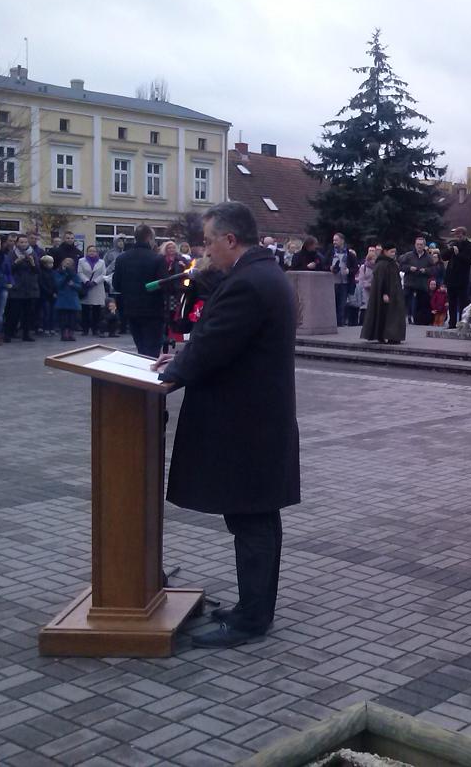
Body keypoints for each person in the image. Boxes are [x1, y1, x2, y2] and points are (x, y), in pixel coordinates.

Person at [153, 202, 300, 650]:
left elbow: (215, 344)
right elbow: (216, 339)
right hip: (256, 424)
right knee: (253, 520)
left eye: (209, 241)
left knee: (253, 522)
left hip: (246, 427)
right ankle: (251, 608)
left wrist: (172, 374)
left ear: (230, 240)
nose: (205, 249)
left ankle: (252, 619)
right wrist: (178, 359)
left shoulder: (250, 283)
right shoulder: (259, 274)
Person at [112, 224, 168, 357]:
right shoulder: (157, 258)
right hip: (153, 311)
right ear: (149, 238)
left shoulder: (122, 258)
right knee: (152, 350)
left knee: (141, 348)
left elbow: (116, 284)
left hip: (131, 309)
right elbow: (164, 284)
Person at [361, 242, 406, 344]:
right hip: (388, 293)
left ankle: (393, 336)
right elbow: (381, 280)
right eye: (391, 252)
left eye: (394, 252)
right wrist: (384, 293)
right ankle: (387, 335)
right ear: (385, 251)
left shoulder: (391, 263)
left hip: (394, 293)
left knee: (392, 315)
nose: (393, 254)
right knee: (387, 314)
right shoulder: (382, 264)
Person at [5, 235, 40, 342]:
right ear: (17, 243)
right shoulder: (12, 254)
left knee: (28, 314)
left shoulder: (32, 253)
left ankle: (26, 334)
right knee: (13, 313)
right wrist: (16, 262)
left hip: (30, 288)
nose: (23, 244)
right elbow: (7, 269)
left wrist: (33, 263)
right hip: (17, 287)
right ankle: (9, 334)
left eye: (25, 242)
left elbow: (38, 271)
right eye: (21, 242)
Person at [441, 226, 471, 328]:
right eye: (456, 236)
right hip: (451, 277)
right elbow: (444, 256)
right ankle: (452, 323)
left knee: (462, 302)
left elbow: (469, 260)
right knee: (452, 302)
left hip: (462, 278)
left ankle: (462, 322)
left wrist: (458, 254)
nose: (458, 238)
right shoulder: (453, 244)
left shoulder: (470, 246)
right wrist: (450, 250)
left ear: (464, 235)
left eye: (459, 236)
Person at [399, 236, 435, 324]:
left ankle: (419, 320)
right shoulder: (408, 255)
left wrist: (425, 270)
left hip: (422, 284)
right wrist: (409, 268)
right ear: (415, 245)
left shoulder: (429, 257)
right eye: (417, 244)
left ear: (424, 246)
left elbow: (434, 269)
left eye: (421, 244)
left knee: (422, 303)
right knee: (405, 300)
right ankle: (404, 317)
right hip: (409, 282)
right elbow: (401, 266)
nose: (419, 246)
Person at [327, 233, 358, 327]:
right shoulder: (330, 253)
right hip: (332, 282)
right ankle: (332, 323)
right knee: (333, 304)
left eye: (336, 240)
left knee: (342, 305)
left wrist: (349, 271)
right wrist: (330, 268)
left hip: (344, 283)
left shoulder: (349, 254)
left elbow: (355, 267)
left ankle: (340, 324)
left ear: (342, 241)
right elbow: (323, 264)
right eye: (333, 240)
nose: (334, 242)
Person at [78, 246, 107, 335]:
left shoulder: (101, 262)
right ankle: (85, 329)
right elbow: (80, 272)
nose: (92, 253)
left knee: (96, 310)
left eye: (94, 251)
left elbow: (103, 274)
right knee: (85, 310)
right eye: (90, 251)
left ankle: (95, 329)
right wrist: (86, 281)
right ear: (87, 252)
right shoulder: (81, 261)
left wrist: (95, 282)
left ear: (97, 253)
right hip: (86, 287)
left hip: (97, 287)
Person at [53, 257, 83, 342]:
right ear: (62, 263)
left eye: (70, 262)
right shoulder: (58, 273)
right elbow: (57, 285)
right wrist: (66, 277)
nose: (67, 263)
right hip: (63, 298)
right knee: (63, 318)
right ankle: (64, 333)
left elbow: (79, 287)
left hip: (73, 299)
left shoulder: (74, 274)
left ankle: (70, 333)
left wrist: (73, 284)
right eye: (66, 262)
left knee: (72, 318)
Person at [354, 247, 377, 326]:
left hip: (374, 290)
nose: (373, 261)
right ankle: (362, 322)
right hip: (365, 290)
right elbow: (361, 280)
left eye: (375, 259)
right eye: (372, 259)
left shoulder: (376, 268)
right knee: (364, 306)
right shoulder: (363, 267)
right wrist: (368, 285)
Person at [38, 255, 57, 336]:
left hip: (53, 295)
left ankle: (52, 328)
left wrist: (55, 292)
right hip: (45, 295)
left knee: (53, 313)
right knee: (46, 312)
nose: (51, 265)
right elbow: (41, 284)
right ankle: (45, 328)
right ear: (44, 264)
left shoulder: (53, 272)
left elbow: (56, 283)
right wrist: (50, 292)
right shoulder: (41, 272)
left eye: (52, 263)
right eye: (49, 263)